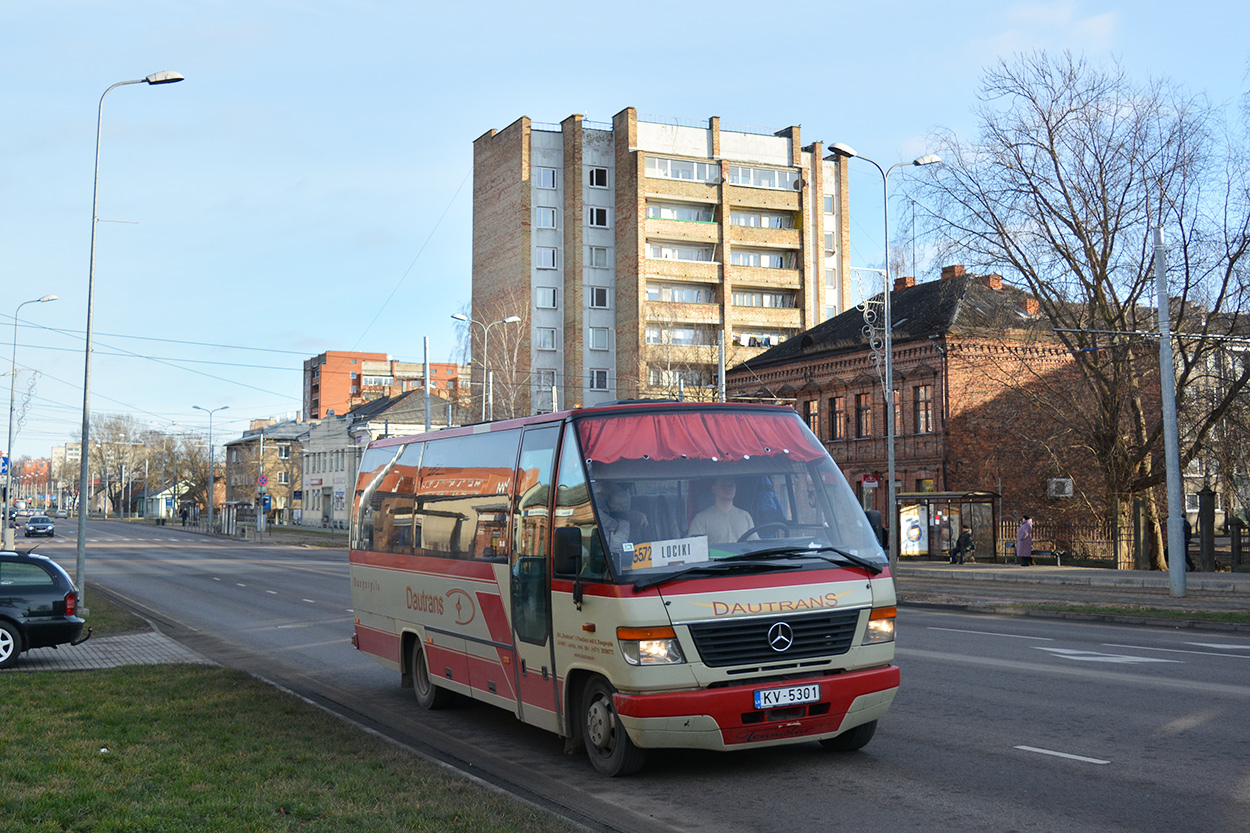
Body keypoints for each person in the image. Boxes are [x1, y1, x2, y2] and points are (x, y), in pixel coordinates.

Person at [688, 477, 755, 545]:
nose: (728, 488)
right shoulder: (701, 518)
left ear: (735, 489)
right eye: (723, 485)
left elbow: (755, 544)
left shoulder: (745, 516)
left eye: (731, 485)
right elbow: (695, 548)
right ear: (714, 489)